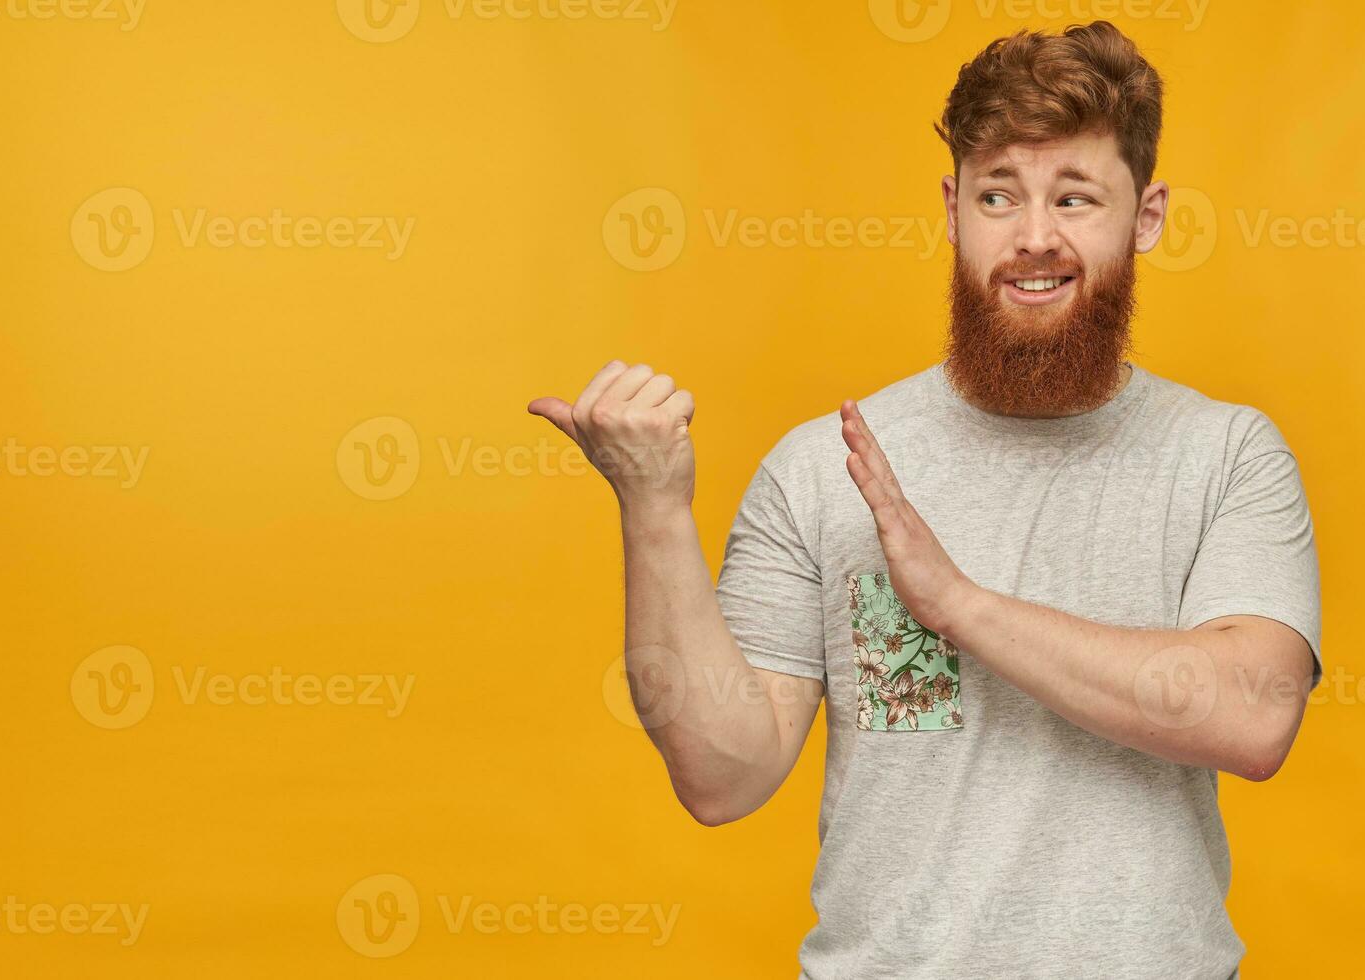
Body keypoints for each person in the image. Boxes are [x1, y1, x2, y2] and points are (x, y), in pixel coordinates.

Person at [528, 19, 1321, 979]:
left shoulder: (1226, 455)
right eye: (999, 196)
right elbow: (721, 777)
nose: (1034, 237)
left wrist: (956, 606)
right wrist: (652, 509)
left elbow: (1252, 716)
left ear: (1146, 216)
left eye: (1076, 198)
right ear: (953, 207)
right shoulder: (823, 468)